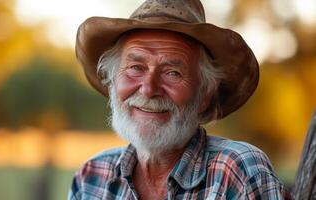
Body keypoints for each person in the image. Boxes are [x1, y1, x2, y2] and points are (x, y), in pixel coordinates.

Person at [69, 0, 293, 199]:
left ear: (205, 94)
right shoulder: (92, 176)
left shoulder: (237, 170)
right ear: (112, 81)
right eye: (135, 67)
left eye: (172, 73)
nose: (148, 89)